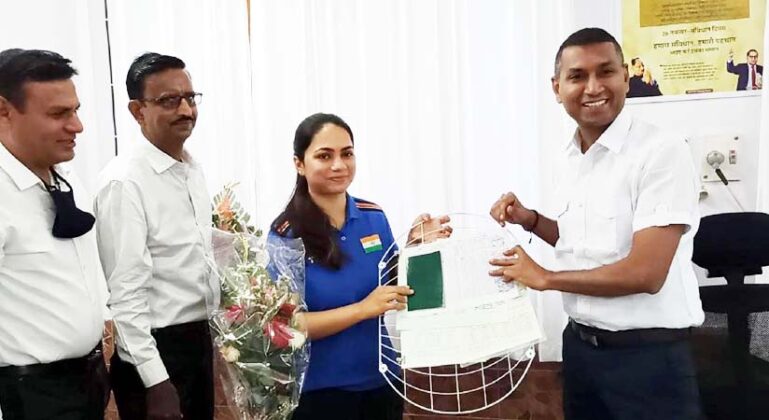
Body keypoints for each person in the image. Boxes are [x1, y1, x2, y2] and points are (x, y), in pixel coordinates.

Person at [488, 28, 704, 419]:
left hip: (647, 358)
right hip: (583, 350)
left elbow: (646, 274)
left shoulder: (661, 152)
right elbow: (583, 244)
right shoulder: (571, 156)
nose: (593, 87)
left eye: (605, 72)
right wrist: (531, 220)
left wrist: (546, 278)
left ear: (625, 76)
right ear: (557, 87)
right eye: (577, 76)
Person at [270, 113, 449, 420]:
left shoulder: (373, 217)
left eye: (347, 153)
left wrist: (416, 247)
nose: (339, 165)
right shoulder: (287, 234)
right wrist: (362, 309)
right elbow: (285, 326)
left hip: (383, 381)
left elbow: (390, 283)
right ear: (299, 164)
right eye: (324, 156)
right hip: (320, 394)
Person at [95, 53, 215, 420]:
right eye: (169, 101)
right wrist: (156, 383)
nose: (186, 110)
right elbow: (126, 293)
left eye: (191, 98)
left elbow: (191, 249)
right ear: (137, 110)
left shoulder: (190, 168)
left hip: (197, 342)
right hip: (155, 353)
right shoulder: (125, 182)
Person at [0, 48, 109, 419]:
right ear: (4, 111)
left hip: (86, 382)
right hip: (32, 395)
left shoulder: (64, 175)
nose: (77, 126)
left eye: (76, 110)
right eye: (59, 114)